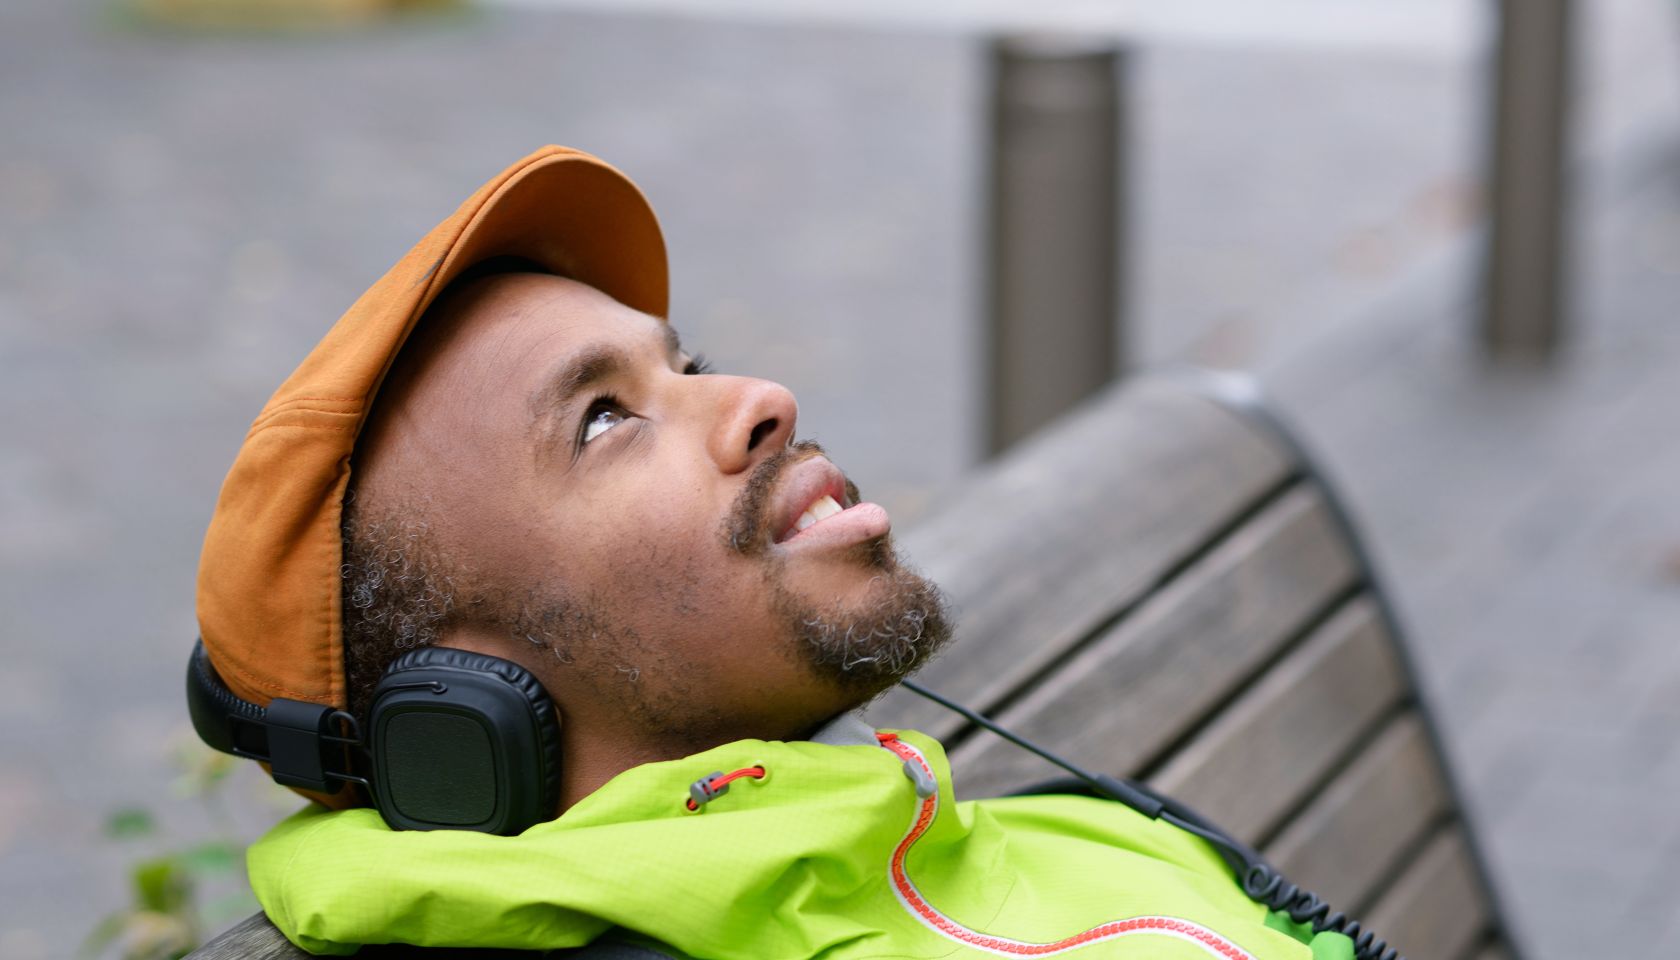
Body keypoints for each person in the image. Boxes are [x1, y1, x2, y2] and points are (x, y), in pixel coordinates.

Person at [190, 147, 1357, 959]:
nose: (765, 400)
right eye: (602, 419)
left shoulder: (957, 824)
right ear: (461, 717)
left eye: (683, 367)